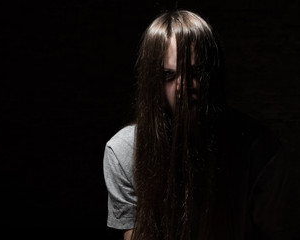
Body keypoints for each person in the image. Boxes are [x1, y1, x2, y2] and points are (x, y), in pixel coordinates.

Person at [103, 9, 299, 240]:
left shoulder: (261, 151)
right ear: (151, 80)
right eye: (168, 74)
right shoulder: (124, 151)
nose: (183, 88)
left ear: (211, 74)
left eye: (195, 72)